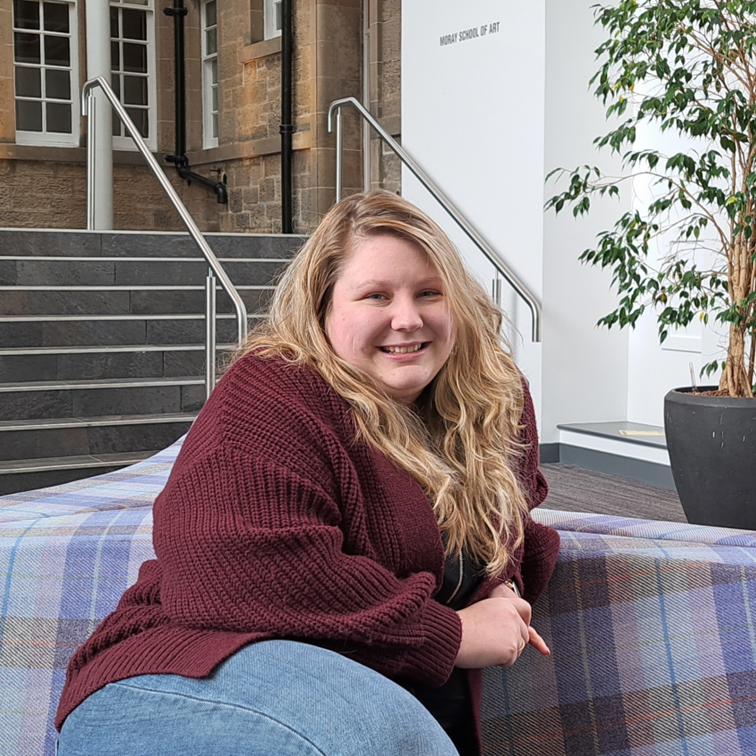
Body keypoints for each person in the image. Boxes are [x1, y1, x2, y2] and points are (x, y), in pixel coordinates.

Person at [55, 191, 560, 756]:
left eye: (428, 293)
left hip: (348, 709)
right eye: (376, 296)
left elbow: (510, 524)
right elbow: (227, 571)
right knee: (394, 741)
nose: (408, 318)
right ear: (322, 309)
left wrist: (503, 590)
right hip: (181, 685)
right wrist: (454, 633)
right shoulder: (274, 393)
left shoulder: (491, 397)